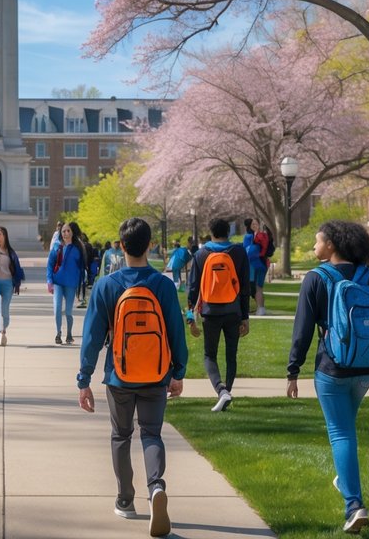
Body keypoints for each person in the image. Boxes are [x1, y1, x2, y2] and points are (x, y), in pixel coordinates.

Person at [77, 217, 187, 538]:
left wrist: (84, 379)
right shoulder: (163, 285)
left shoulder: (106, 286)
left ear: (121, 246)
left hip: (119, 377)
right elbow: (176, 334)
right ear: (149, 245)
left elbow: (92, 339)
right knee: (151, 434)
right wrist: (177, 373)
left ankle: (125, 499)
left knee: (121, 436)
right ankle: (156, 488)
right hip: (155, 375)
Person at [287, 221, 369, 535]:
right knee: (346, 431)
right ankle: (345, 477)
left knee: (341, 435)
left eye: (317, 240)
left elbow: (303, 331)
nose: (314, 245)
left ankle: (354, 505)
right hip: (366, 369)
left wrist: (292, 371)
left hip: (332, 369)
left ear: (332, 245)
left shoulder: (316, 278)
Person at [186, 218, 250, 412]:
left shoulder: (201, 254)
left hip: (210, 312)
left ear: (211, 231)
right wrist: (245, 317)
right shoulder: (238, 252)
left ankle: (221, 391)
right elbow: (245, 286)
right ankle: (227, 392)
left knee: (209, 355)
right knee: (231, 354)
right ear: (228, 232)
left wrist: (191, 319)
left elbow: (193, 289)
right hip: (233, 310)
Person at [46, 221, 85, 345]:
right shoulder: (57, 247)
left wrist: (81, 281)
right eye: (63, 231)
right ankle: (58, 333)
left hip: (71, 284)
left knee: (68, 312)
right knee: (57, 308)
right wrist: (49, 281)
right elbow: (50, 265)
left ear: (73, 233)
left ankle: (69, 334)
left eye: (68, 231)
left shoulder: (78, 248)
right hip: (57, 282)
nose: (66, 233)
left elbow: (82, 267)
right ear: (60, 233)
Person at [246, 218, 270, 315]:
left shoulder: (252, 237)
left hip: (255, 264)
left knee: (255, 287)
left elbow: (246, 250)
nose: (254, 226)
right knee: (259, 287)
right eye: (253, 224)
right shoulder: (264, 236)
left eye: (255, 224)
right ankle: (261, 308)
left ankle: (260, 308)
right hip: (262, 263)